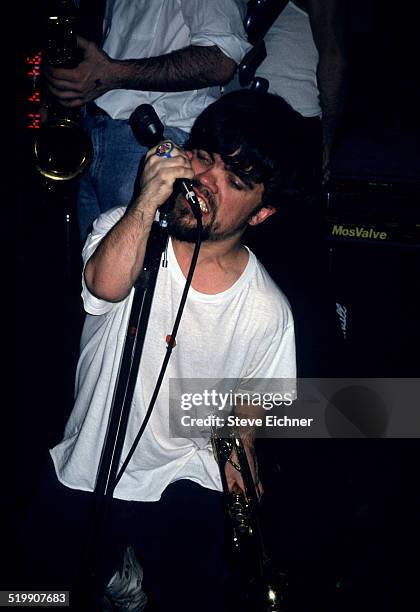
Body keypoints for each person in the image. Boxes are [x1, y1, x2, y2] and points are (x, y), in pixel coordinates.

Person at [16, 89, 301, 611]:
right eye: (204, 158)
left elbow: (241, 426)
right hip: (91, 462)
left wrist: (247, 528)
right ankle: (111, 574)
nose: (207, 182)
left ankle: (131, 574)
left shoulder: (267, 311)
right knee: (31, 597)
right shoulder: (127, 232)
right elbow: (104, 285)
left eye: (235, 182)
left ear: (261, 214)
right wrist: (146, 201)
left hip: (185, 476)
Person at [43, 0, 252, 242]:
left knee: (145, 272)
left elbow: (221, 59)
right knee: (96, 271)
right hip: (96, 132)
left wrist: (113, 74)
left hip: (152, 138)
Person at [250, 0, 348, 185]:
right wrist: (325, 141)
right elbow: (335, 62)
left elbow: (334, 61)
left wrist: (324, 141)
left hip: (290, 119)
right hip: (265, 116)